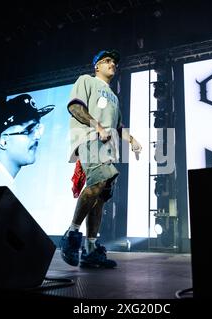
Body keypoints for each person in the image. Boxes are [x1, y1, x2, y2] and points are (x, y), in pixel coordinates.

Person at [59, 49, 142, 268]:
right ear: (97, 66)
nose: (112, 64)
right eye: (107, 61)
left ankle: (91, 249)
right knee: (97, 183)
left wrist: (132, 140)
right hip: (88, 138)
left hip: (108, 147)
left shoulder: (114, 96)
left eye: (114, 62)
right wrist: (96, 126)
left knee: (101, 196)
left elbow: (118, 126)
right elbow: (75, 107)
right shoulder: (86, 80)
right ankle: (71, 234)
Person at [0, 94, 54, 191]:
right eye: (29, 130)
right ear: (3, 142)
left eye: (38, 128)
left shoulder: (5, 182)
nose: (38, 136)